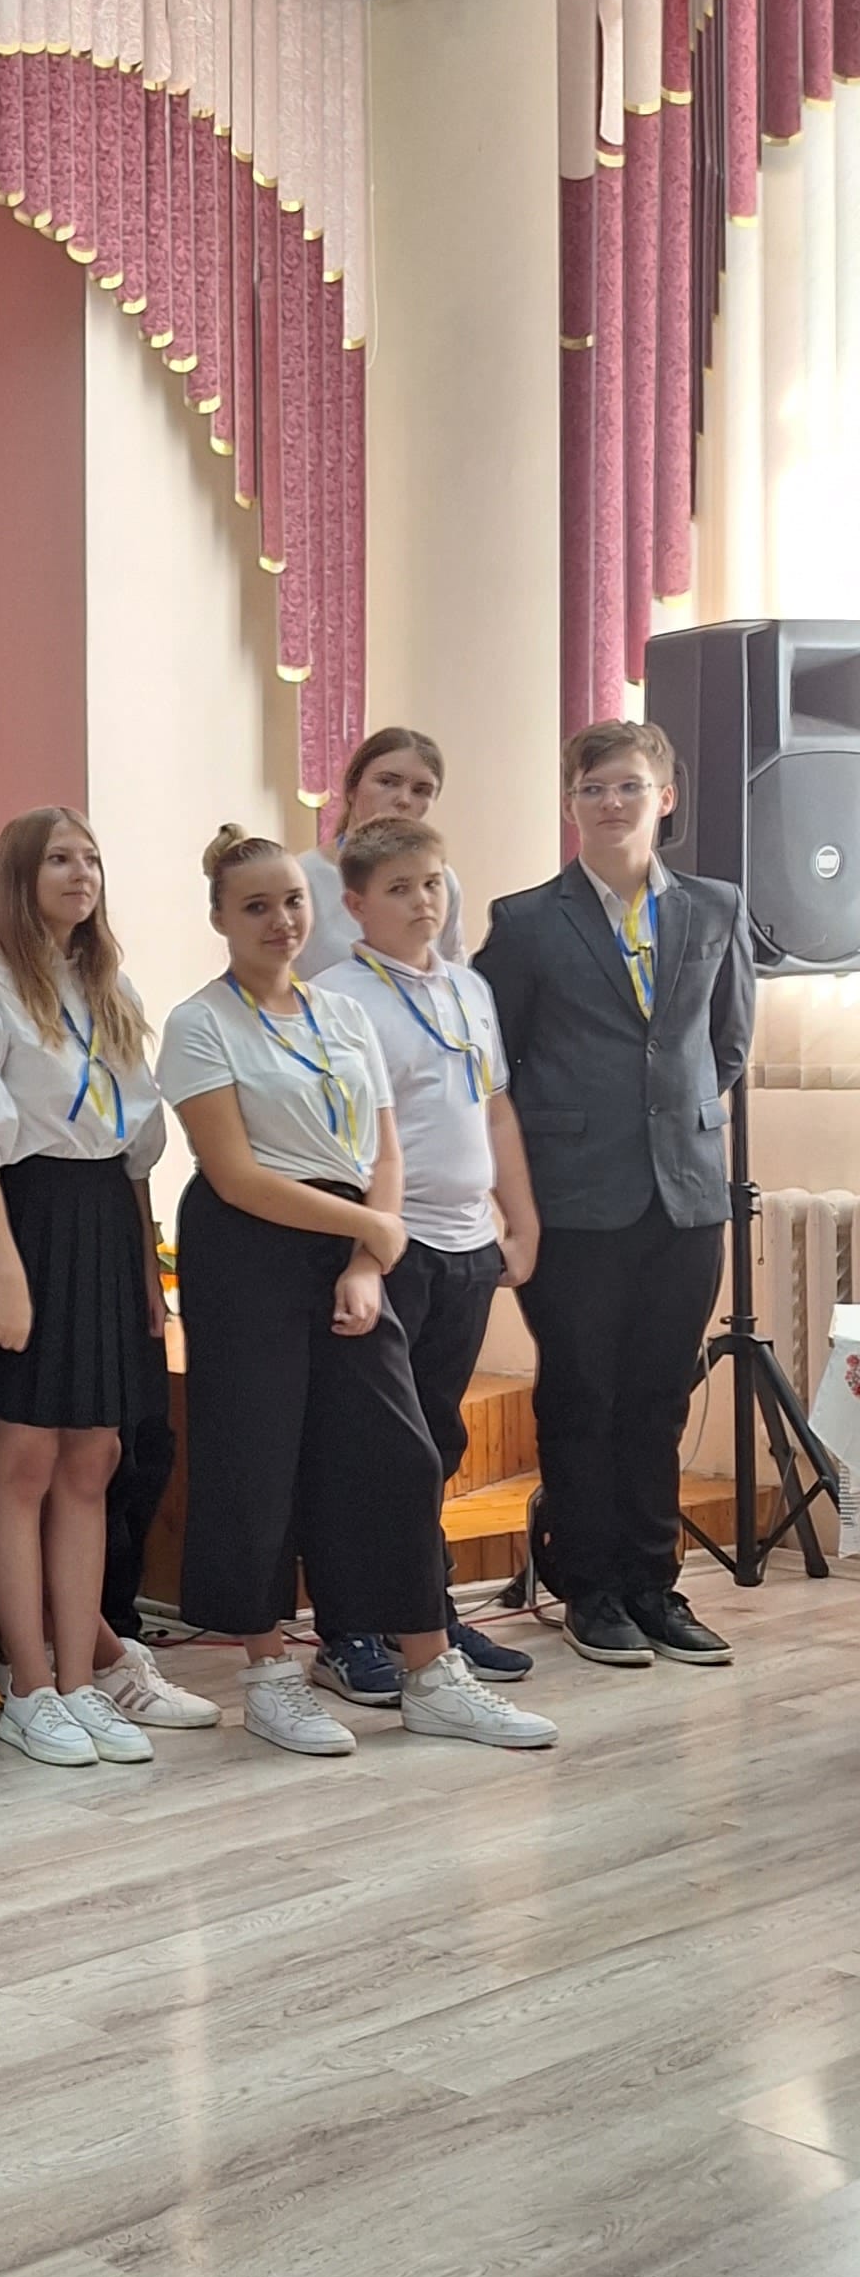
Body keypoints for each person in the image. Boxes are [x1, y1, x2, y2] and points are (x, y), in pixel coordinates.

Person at [162, 831, 553, 1759]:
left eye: (292, 901)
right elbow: (234, 1173)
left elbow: (384, 1149)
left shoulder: (339, 1015)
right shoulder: (199, 1022)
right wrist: (373, 1230)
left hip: (349, 1243)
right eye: (256, 906)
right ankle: (269, 1677)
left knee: (399, 1454)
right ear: (220, 919)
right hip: (248, 1243)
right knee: (257, 1461)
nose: (280, 921)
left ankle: (430, 1673)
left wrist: (367, 1257)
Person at [0, 873, 206, 1738]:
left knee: (95, 1456)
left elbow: (136, 1149)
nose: (80, 875)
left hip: (102, 1223)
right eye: (60, 858)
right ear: (21, 880)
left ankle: (81, 1678)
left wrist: (146, 1272)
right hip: (22, 1222)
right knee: (24, 1459)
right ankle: (30, 1685)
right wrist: (7, 1274)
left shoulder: (110, 987)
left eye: (90, 859)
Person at [475, 718, 756, 1669]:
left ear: (664, 798)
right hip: (574, 1199)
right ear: (571, 804)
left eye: (629, 785)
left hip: (686, 1195)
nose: (610, 802)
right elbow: (496, 1062)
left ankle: (652, 1585)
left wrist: (669, 1123)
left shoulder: (715, 908)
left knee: (659, 1396)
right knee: (582, 1395)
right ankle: (588, 1588)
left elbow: (726, 1046)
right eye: (592, 788)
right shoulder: (525, 922)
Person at [322, 813, 544, 1700]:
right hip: (393, 1245)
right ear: (355, 905)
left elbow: (495, 1112)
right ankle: (350, 1628)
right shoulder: (341, 999)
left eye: (431, 884)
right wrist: (363, 1248)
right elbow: (346, 1142)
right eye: (399, 888)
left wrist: (519, 1220)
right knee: (371, 1447)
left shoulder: (468, 988)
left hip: (467, 1244)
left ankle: (426, 1610)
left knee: (440, 1439)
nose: (423, 902)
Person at [299, 725, 467, 977]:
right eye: (387, 782)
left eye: (421, 790)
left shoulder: (441, 879)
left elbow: (453, 964)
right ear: (352, 789)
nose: (404, 800)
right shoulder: (304, 877)